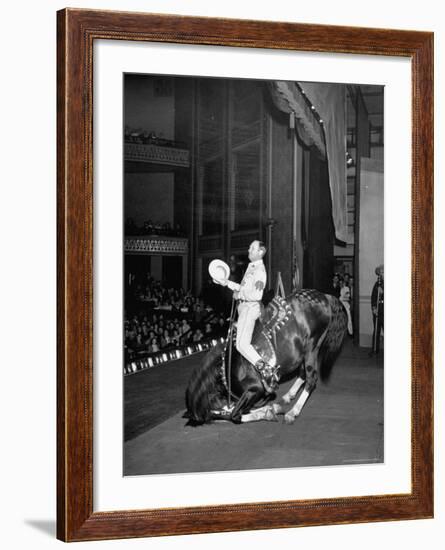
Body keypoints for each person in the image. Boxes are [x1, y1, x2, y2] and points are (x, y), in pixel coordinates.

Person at [213, 240, 276, 393]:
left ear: (260, 252)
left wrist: (239, 293)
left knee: (242, 345)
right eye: (249, 247)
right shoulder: (251, 267)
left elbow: (257, 294)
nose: (249, 250)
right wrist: (225, 282)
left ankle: (266, 370)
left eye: (252, 248)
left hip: (250, 308)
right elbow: (241, 288)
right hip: (244, 308)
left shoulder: (260, 270)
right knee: (239, 344)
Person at [370, 265, 384, 356]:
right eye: (381, 273)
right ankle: (375, 350)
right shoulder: (377, 284)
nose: (382, 274)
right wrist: (374, 308)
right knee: (376, 330)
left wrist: (383, 291)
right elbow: (373, 297)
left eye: (384, 272)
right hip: (378, 309)